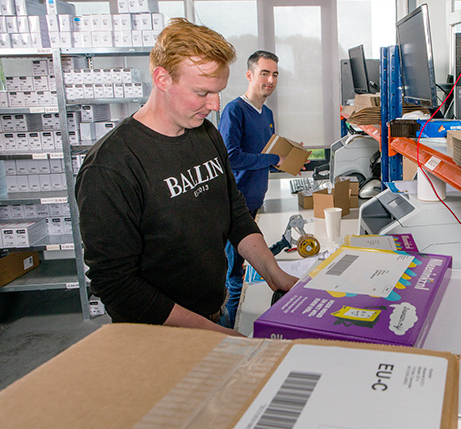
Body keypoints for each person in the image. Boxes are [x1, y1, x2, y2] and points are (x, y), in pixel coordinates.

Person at [75, 18, 297, 336]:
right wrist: (213, 333)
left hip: (211, 314)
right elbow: (117, 285)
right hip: (157, 335)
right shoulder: (111, 167)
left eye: (218, 92)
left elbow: (233, 212)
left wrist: (273, 273)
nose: (215, 104)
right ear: (162, 78)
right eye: (203, 92)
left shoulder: (204, 133)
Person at [218, 51, 283, 328]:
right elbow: (230, 157)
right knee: (235, 275)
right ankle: (229, 333)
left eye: (275, 74)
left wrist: (284, 159)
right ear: (249, 75)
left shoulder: (266, 113)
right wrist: (271, 159)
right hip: (236, 206)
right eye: (264, 73)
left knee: (244, 269)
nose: (270, 80)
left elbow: (262, 156)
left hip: (256, 202)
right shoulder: (234, 110)